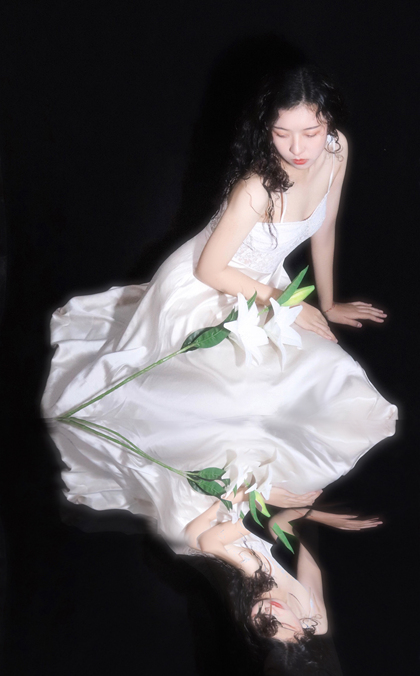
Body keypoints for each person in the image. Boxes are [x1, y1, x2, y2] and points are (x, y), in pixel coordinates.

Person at [41, 63, 397, 551]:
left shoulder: (337, 149)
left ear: (329, 123)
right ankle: (251, 484)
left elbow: (325, 228)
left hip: (263, 285)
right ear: (266, 129)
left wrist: (328, 302)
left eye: (311, 132)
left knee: (333, 383)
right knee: (228, 407)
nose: (298, 148)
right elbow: (211, 268)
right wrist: (284, 304)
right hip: (207, 285)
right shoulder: (256, 187)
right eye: (282, 133)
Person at [184, 484, 380, 674]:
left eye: (264, 625)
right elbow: (283, 527)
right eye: (287, 627)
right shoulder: (316, 621)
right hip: (254, 515)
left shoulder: (254, 575)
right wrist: (323, 517)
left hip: (230, 512)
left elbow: (202, 539)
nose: (271, 612)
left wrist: (256, 497)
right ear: (303, 636)